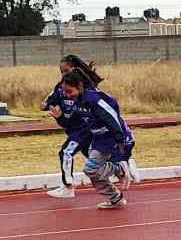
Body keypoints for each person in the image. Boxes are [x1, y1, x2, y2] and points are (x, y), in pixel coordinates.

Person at [58, 68, 136, 208]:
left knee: (91, 169)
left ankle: (119, 168)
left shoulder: (94, 100)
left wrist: (120, 139)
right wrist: (60, 118)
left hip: (114, 138)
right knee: (91, 171)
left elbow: (112, 118)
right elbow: (71, 124)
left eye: (70, 92)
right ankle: (115, 199)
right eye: (65, 93)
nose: (68, 96)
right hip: (99, 140)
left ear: (80, 87)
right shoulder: (78, 103)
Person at [43, 54, 99, 198]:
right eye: (61, 72)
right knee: (93, 156)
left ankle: (68, 186)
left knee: (66, 152)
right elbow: (47, 102)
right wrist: (52, 109)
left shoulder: (85, 88)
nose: (63, 74)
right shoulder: (60, 87)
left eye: (66, 71)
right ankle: (121, 167)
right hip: (72, 128)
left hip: (84, 128)